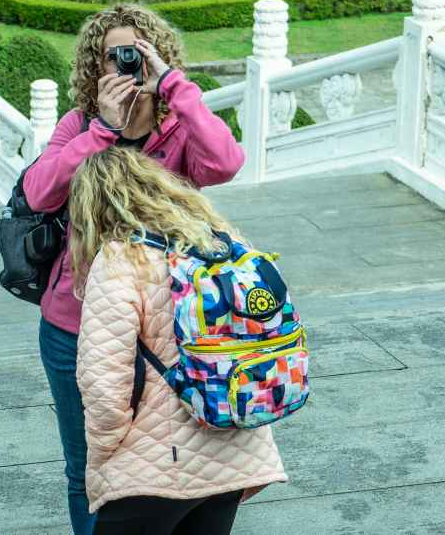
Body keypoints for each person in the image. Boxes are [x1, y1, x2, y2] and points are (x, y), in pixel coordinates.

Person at [22, 3, 244, 535]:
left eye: (137, 54)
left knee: (173, 463)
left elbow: (226, 163)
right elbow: (39, 190)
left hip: (171, 333)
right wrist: (103, 127)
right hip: (75, 325)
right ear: (93, 68)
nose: (124, 66)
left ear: (158, 58)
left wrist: (175, 88)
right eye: (112, 57)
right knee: (89, 467)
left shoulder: (179, 131)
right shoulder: (79, 125)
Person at [72, 146, 285, 534]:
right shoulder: (221, 243)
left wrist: (104, 456)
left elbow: (104, 386)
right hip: (232, 446)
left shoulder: (121, 260)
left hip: (153, 465)